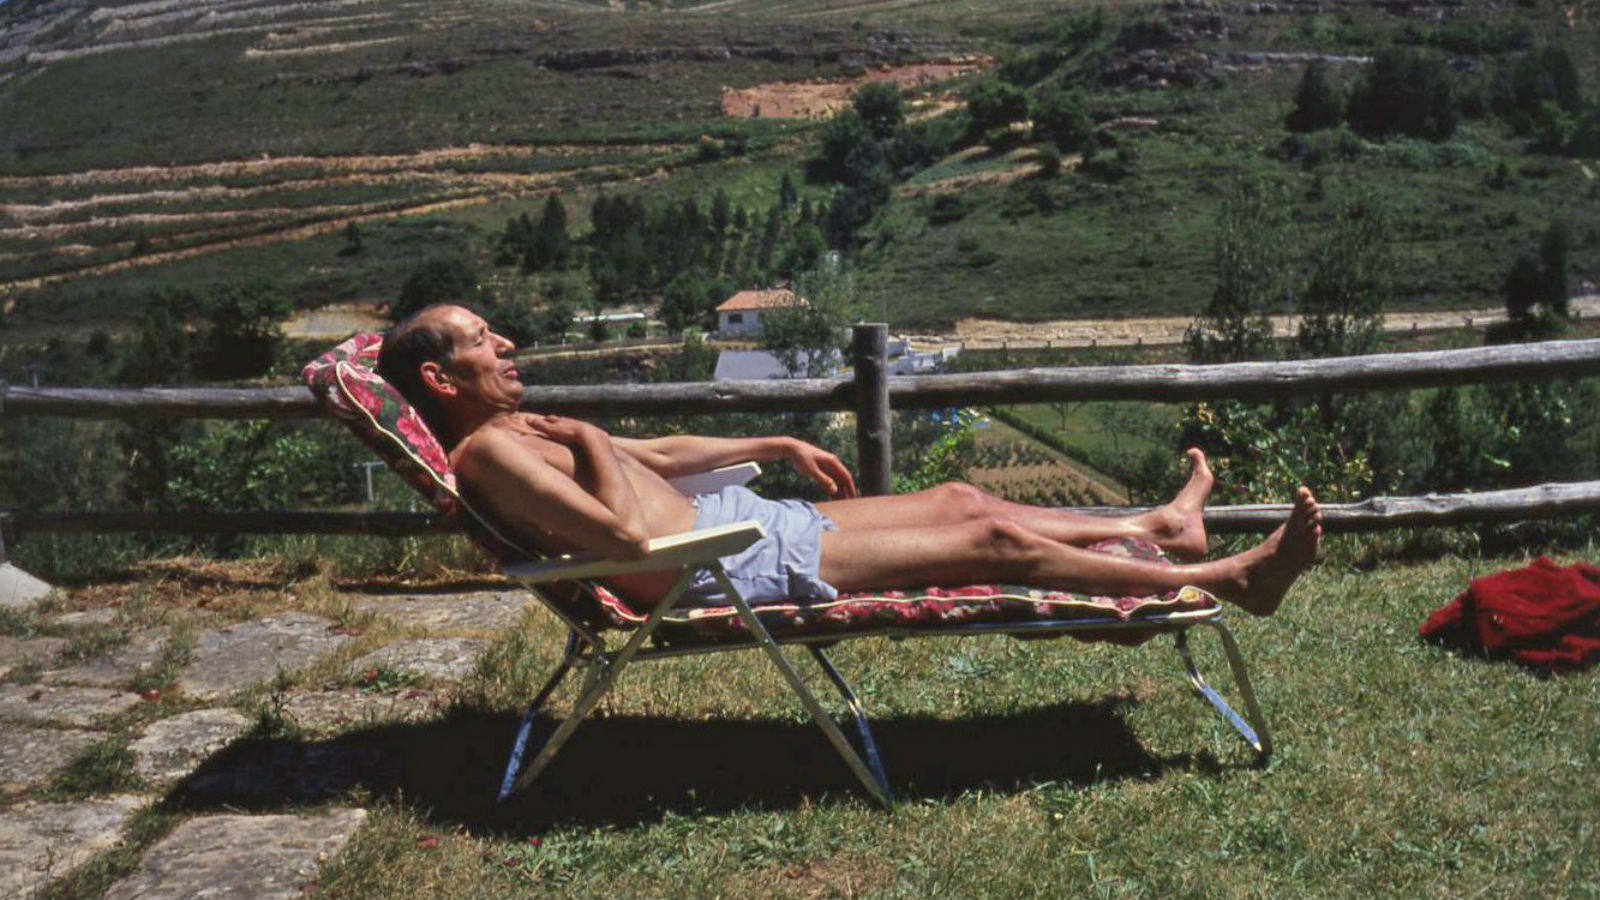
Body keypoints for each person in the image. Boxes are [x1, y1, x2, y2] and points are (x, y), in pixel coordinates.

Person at [377, 304, 1322, 613]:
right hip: (717, 564)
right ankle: (1216, 579)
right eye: (481, 342)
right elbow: (627, 531)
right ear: (439, 375)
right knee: (986, 538)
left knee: (959, 492)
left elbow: (655, 453)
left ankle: (1156, 526)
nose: (505, 346)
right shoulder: (492, 456)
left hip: (733, 531)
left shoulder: (516, 431)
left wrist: (773, 441)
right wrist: (585, 437)